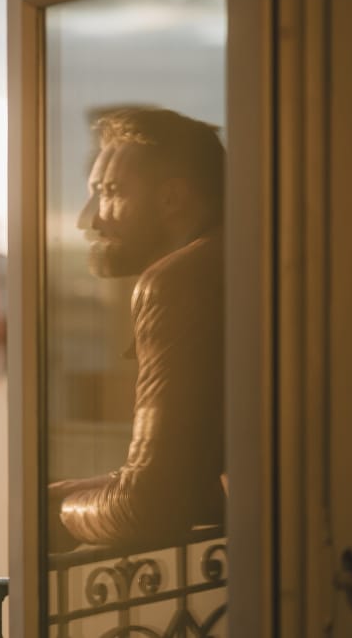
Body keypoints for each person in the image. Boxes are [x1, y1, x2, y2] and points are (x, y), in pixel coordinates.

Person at [48, 107, 226, 551]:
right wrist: (78, 492)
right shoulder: (245, 255)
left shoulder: (175, 282)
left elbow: (149, 505)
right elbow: (201, 479)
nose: (88, 218)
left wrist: (51, 514)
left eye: (108, 192)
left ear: (171, 199)